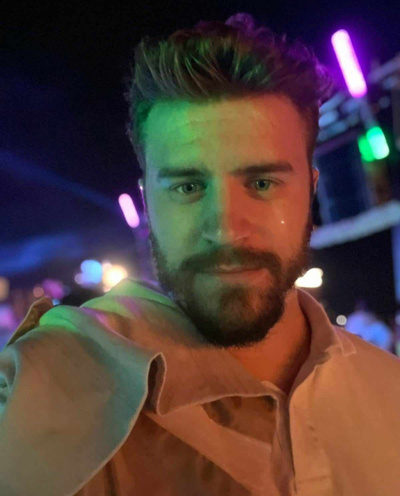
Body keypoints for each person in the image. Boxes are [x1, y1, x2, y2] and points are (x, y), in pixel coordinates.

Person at [1, 12, 400, 496]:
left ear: (310, 192)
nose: (226, 229)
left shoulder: (390, 393)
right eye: (188, 187)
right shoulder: (59, 377)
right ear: (148, 203)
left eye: (262, 183)